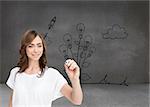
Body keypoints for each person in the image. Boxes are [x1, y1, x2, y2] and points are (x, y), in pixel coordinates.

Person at [6, 29, 83, 107]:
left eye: (39, 45)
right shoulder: (15, 73)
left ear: (43, 48)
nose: (36, 50)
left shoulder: (52, 74)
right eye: (30, 46)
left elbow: (77, 100)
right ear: (24, 48)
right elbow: (13, 100)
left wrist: (75, 79)